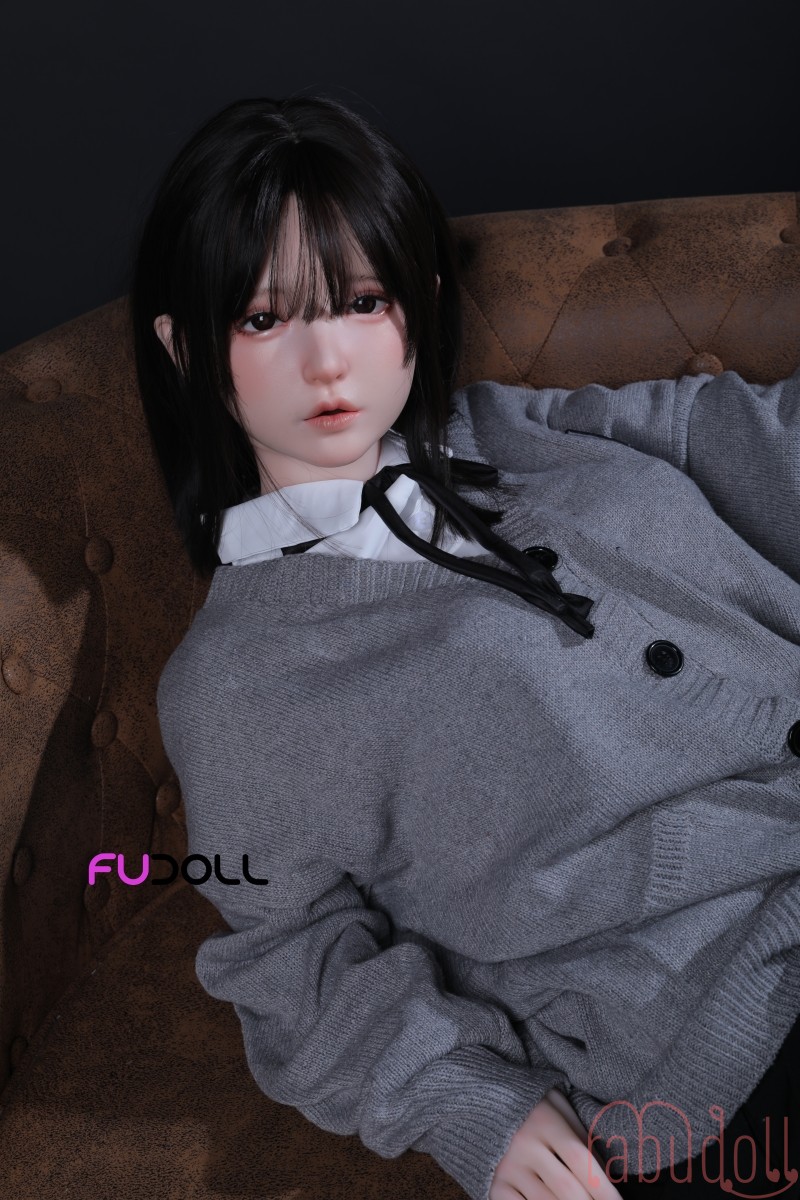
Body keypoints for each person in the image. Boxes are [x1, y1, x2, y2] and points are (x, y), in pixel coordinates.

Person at [131, 93, 800, 1200]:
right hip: (708, 1019)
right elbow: (282, 950)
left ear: (420, 303)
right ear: (185, 348)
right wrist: (466, 1101)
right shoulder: (235, 684)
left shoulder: (506, 434)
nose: (326, 360)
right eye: (262, 318)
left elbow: (738, 437)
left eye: (362, 302)